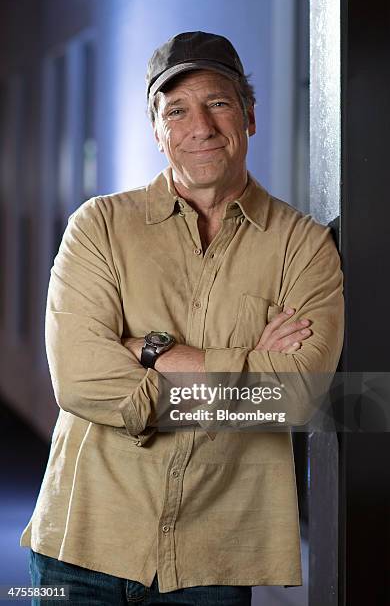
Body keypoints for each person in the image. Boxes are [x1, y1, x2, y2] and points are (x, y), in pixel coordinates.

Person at [21, 31, 344, 605]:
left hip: (213, 558)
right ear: (157, 129)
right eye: (177, 110)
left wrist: (149, 352)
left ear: (248, 116)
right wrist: (249, 369)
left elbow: (299, 396)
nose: (200, 126)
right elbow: (80, 380)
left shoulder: (304, 247)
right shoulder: (98, 227)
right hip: (84, 542)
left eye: (218, 103)